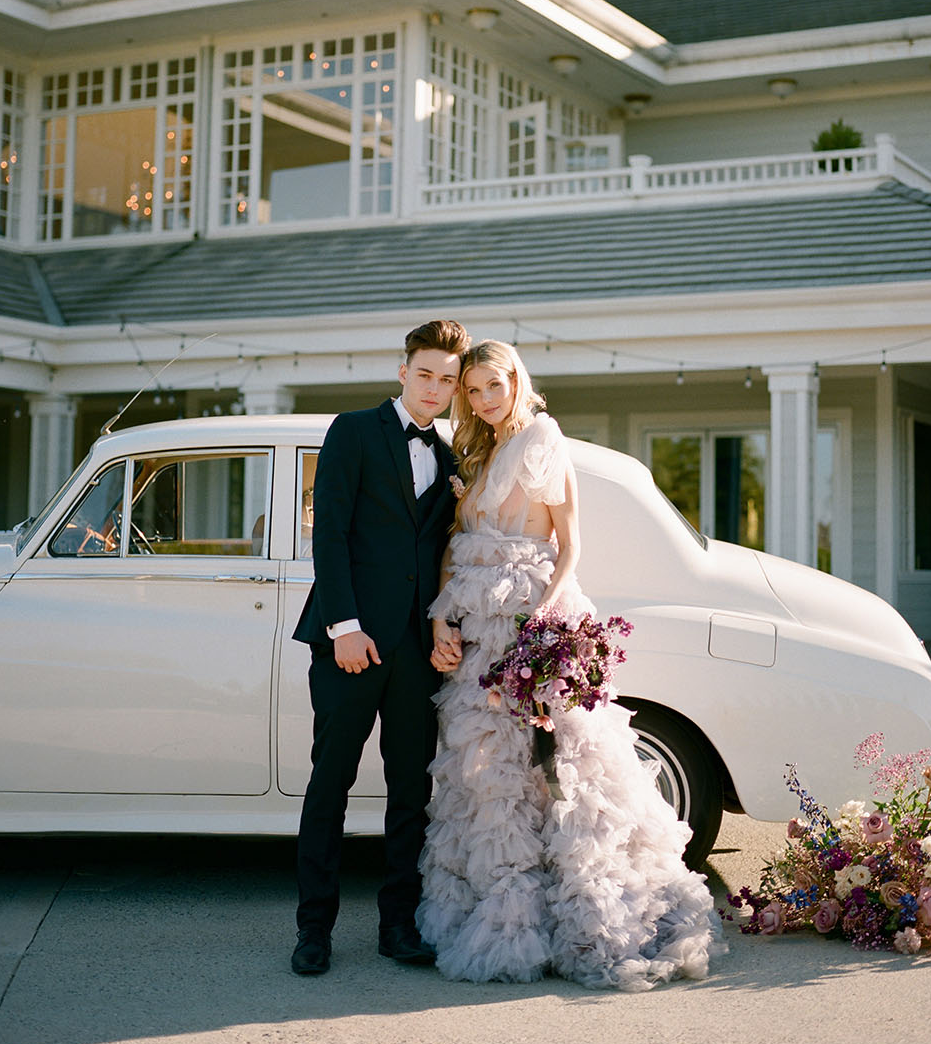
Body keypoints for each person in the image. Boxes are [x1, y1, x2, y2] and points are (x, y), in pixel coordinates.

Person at [418, 340, 725, 991]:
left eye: (491, 386)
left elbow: (569, 544)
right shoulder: (474, 452)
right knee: (488, 777)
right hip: (473, 626)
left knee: (562, 771)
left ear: (515, 379)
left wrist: (543, 624)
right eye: (472, 391)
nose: (482, 399)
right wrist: (441, 615)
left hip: (528, 617)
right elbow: (454, 544)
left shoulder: (542, 439)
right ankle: (506, 912)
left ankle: (580, 920)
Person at [291, 318, 471, 975]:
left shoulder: (452, 456)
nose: (434, 387)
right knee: (329, 786)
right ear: (403, 371)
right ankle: (314, 929)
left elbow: (445, 556)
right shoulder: (353, 431)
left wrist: (445, 627)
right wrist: (344, 626)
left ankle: (399, 925)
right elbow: (330, 533)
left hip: (417, 654)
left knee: (410, 792)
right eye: (424, 373)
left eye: (447, 380)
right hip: (350, 642)